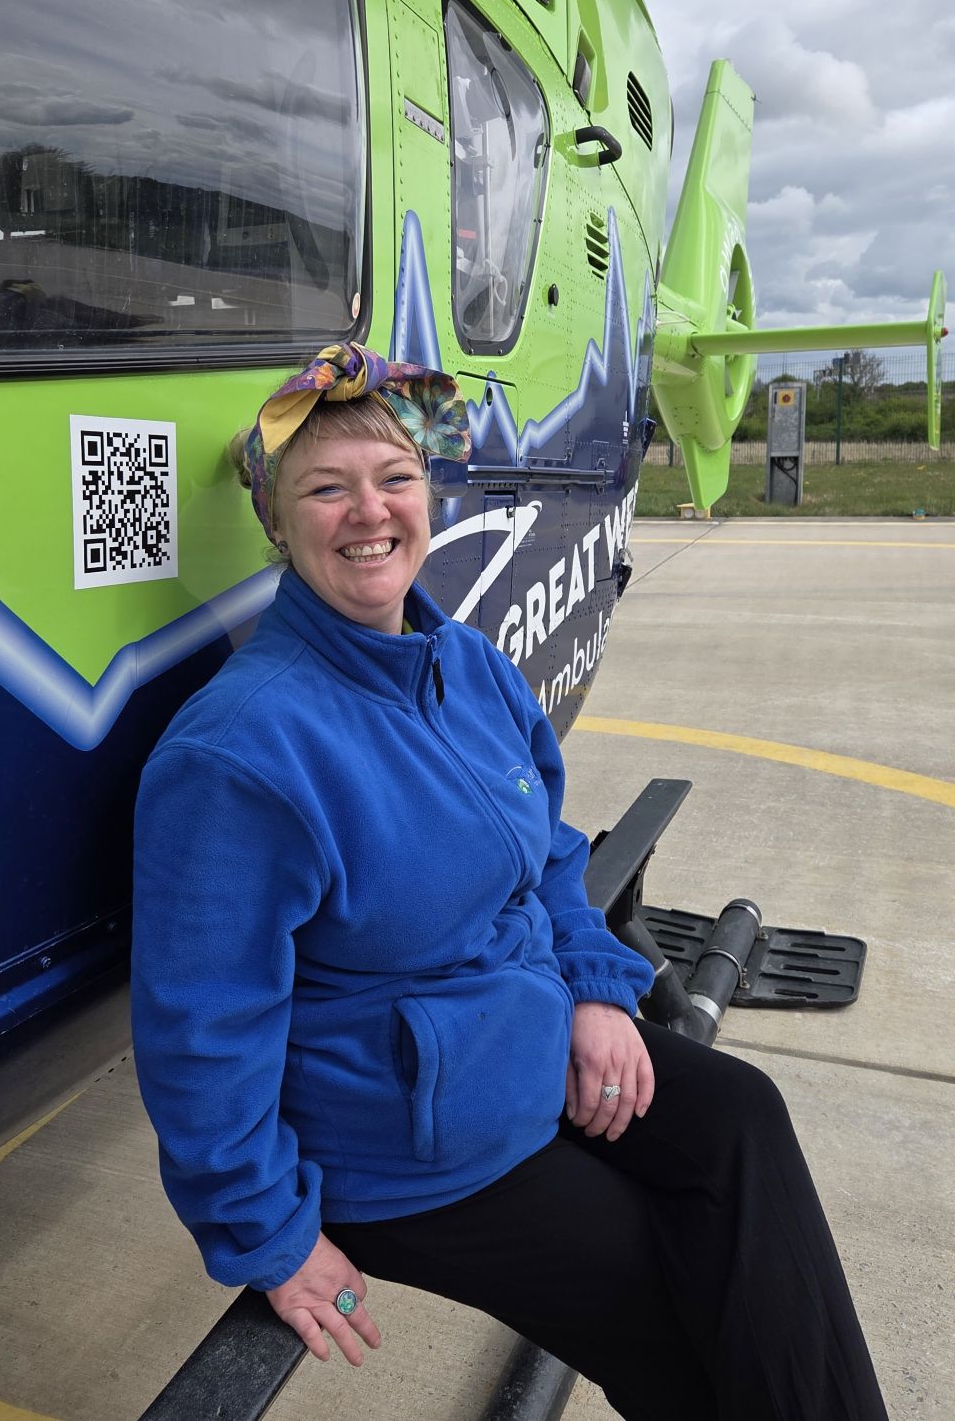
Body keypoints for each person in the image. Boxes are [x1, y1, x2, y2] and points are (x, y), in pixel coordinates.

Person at [131, 342, 888, 1421]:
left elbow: (543, 850)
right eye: (325, 488)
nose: (368, 511)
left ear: (429, 492)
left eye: (394, 478)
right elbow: (201, 1025)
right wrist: (266, 1233)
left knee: (741, 1119)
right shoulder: (244, 749)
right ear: (277, 521)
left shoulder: (463, 665)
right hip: (406, 1142)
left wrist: (590, 988)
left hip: (517, 1044)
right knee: (675, 1294)